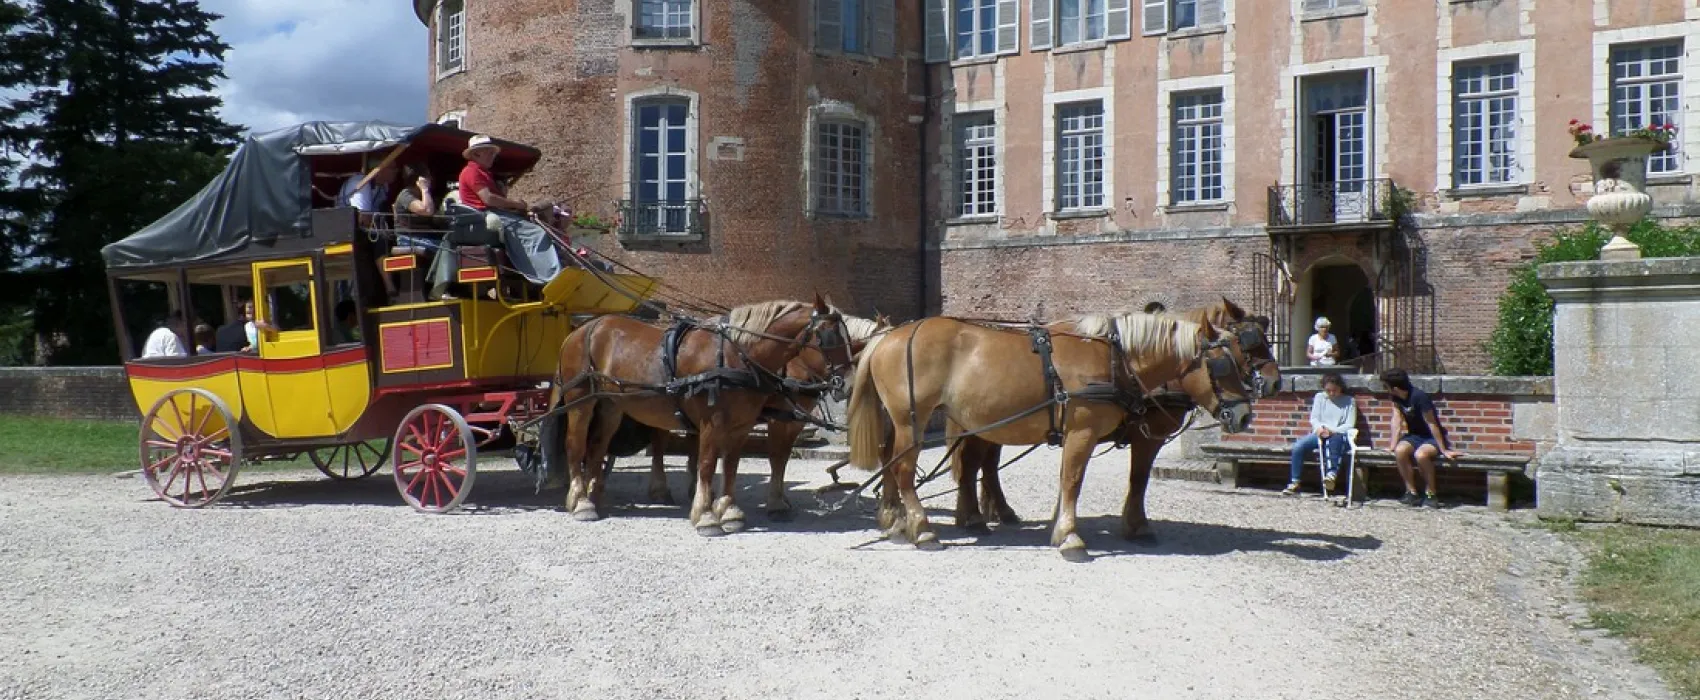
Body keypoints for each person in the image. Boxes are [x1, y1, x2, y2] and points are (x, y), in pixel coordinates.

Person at [454, 134, 563, 285]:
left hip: (494, 214)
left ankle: (553, 266)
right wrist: (517, 205)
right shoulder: (472, 172)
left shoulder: (483, 173)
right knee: (535, 232)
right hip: (484, 216)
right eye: (489, 152)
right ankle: (548, 277)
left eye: (493, 152)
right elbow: (488, 199)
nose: (493, 156)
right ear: (476, 153)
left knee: (539, 224)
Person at [1381, 368, 1463, 508]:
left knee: (1421, 455)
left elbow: (1432, 423)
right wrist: (1392, 445)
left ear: (1394, 388)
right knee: (1400, 451)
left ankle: (1431, 493)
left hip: (1430, 437)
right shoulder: (1396, 398)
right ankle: (1411, 492)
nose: (1384, 389)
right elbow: (1396, 421)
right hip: (1414, 436)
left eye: (1385, 386)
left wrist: (1443, 449)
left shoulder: (1419, 397)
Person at [1282, 372, 1357, 495]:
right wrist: (1319, 428)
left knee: (1333, 445)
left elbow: (1349, 424)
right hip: (1320, 432)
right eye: (1328, 390)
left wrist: (1332, 431)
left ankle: (1331, 475)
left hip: (1337, 434)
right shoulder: (1320, 397)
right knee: (1298, 447)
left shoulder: (1349, 401)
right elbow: (1314, 418)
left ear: (1341, 388)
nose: (1331, 393)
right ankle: (1295, 481)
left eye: (1335, 390)